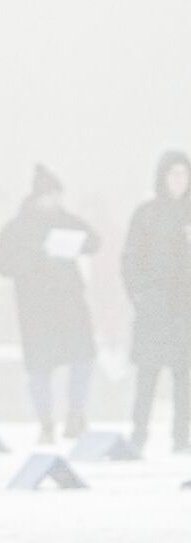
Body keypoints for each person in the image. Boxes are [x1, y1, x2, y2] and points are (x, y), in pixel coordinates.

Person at [0, 165, 100, 443]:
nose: (54, 202)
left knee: (83, 359)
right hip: (35, 309)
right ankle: (46, 422)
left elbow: (94, 241)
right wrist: (37, 257)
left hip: (70, 304)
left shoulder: (67, 220)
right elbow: (3, 264)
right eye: (50, 195)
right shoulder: (17, 227)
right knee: (39, 368)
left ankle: (76, 414)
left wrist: (73, 245)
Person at [121, 151, 191, 454]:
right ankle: (139, 433)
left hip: (186, 308)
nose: (179, 181)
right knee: (147, 375)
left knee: (185, 377)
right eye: (173, 174)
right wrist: (139, 295)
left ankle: (181, 437)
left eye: (183, 174)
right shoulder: (146, 214)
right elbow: (130, 259)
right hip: (154, 308)